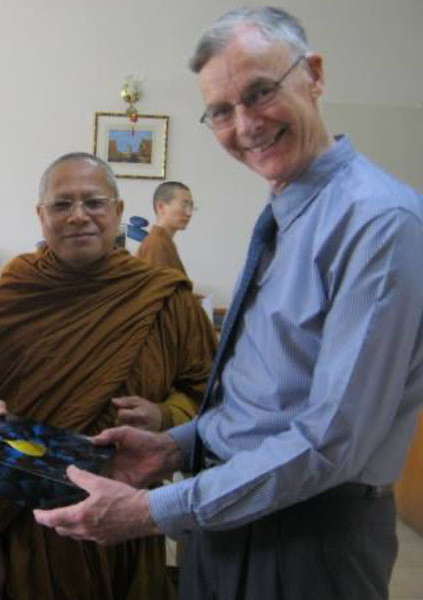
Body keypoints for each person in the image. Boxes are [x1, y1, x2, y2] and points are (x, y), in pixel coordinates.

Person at [34, 7, 423, 600]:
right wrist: (176, 445)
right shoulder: (287, 212)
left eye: (261, 92)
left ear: (314, 75)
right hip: (225, 515)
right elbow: (265, 396)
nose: (245, 124)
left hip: (307, 535)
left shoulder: (378, 223)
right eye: (221, 110)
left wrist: (153, 509)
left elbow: (332, 442)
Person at [0, 152, 215, 600]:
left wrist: (166, 415)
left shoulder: (164, 298)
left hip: (126, 517)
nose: (78, 217)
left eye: (93, 202)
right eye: (61, 205)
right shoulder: (13, 295)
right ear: (41, 215)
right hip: (24, 524)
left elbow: (211, 398)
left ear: (119, 211)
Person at [136, 181, 195, 274]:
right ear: (161, 207)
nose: (189, 213)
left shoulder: (165, 242)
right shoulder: (155, 244)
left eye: (191, 206)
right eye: (184, 205)